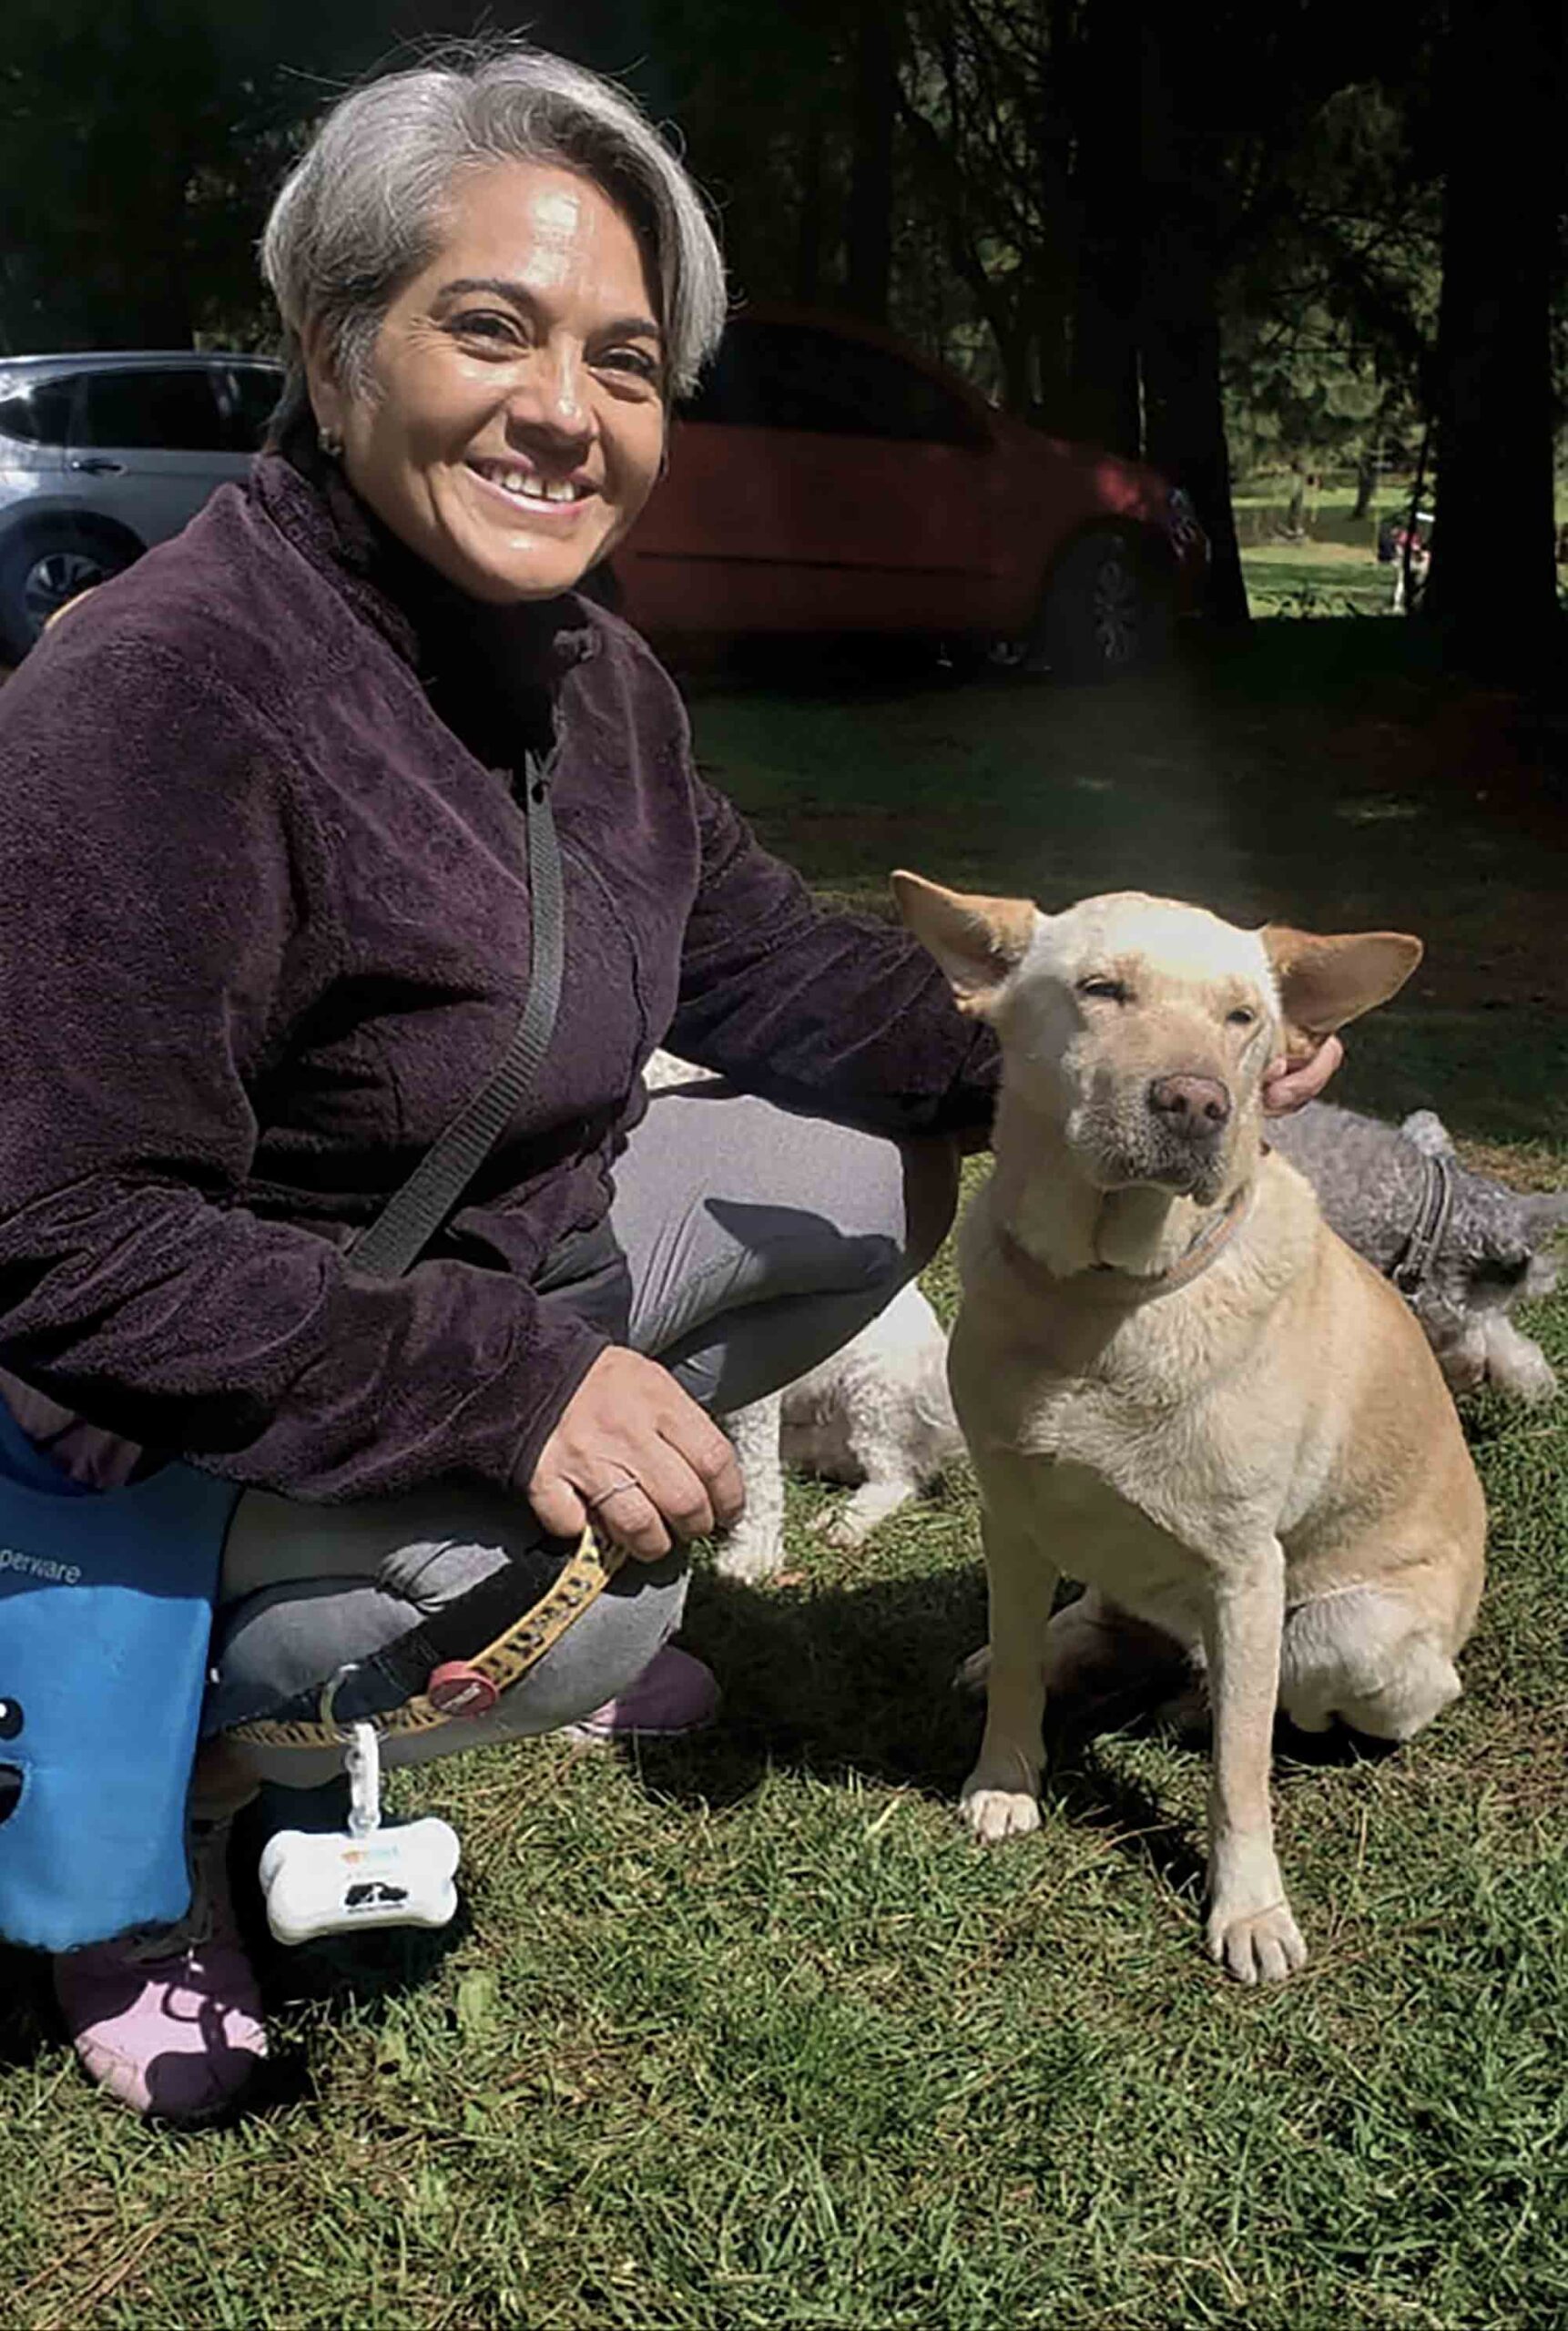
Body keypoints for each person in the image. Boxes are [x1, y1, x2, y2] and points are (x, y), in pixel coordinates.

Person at [0, 43, 1338, 2123]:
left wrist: (1089, 1061)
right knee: (607, 1608)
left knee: (868, 1160)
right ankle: (171, 1821)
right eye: (490, 326)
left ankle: (446, 1563)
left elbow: (776, 963)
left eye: (625, 359)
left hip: (472, 1270)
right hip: (180, 1377)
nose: (567, 408)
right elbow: (63, 1235)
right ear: (331, 345)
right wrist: (513, 1389)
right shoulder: (162, 694)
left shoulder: (589, 673)